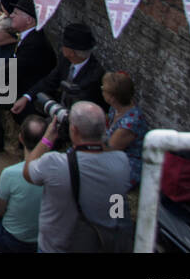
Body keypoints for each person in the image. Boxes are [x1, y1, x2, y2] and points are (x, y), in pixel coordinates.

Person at [23, 102, 133, 252]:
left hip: (57, 247)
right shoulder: (121, 162)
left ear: (73, 130)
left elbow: (28, 171)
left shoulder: (55, 164)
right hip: (100, 244)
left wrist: (48, 137)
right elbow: (118, 205)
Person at [0, 0, 56, 155]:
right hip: (18, 81)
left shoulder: (35, 42)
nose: (11, 16)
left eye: (16, 13)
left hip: (28, 91)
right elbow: (13, 65)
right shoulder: (27, 35)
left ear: (28, 20)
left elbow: (14, 69)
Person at [11, 22, 106, 124]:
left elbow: (78, 107)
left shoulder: (94, 75)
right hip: (58, 110)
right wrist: (27, 97)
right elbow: (50, 81)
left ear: (71, 52)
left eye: (64, 45)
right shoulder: (65, 60)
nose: (61, 47)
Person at [0, 116, 47, 252]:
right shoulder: (59, 172)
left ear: (20, 138)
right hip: (42, 240)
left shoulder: (11, 173)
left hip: (11, 239)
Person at [102, 71, 148, 193]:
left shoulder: (130, 123)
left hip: (127, 164)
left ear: (112, 97)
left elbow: (109, 150)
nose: (101, 90)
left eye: (103, 89)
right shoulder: (116, 108)